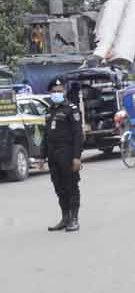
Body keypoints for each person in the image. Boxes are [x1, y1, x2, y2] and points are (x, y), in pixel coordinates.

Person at [42, 79, 83, 232]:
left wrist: (77, 157)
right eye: (54, 91)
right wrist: (41, 157)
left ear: (64, 92)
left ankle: (74, 219)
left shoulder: (71, 109)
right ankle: (65, 218)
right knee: (59, 187)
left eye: (60, 91)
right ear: (50, 93)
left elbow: (78, 134)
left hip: (67, 153)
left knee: (71, 186)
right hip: (53, 156)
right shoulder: (49, 110)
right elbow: (46, 135)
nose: (57, 93)